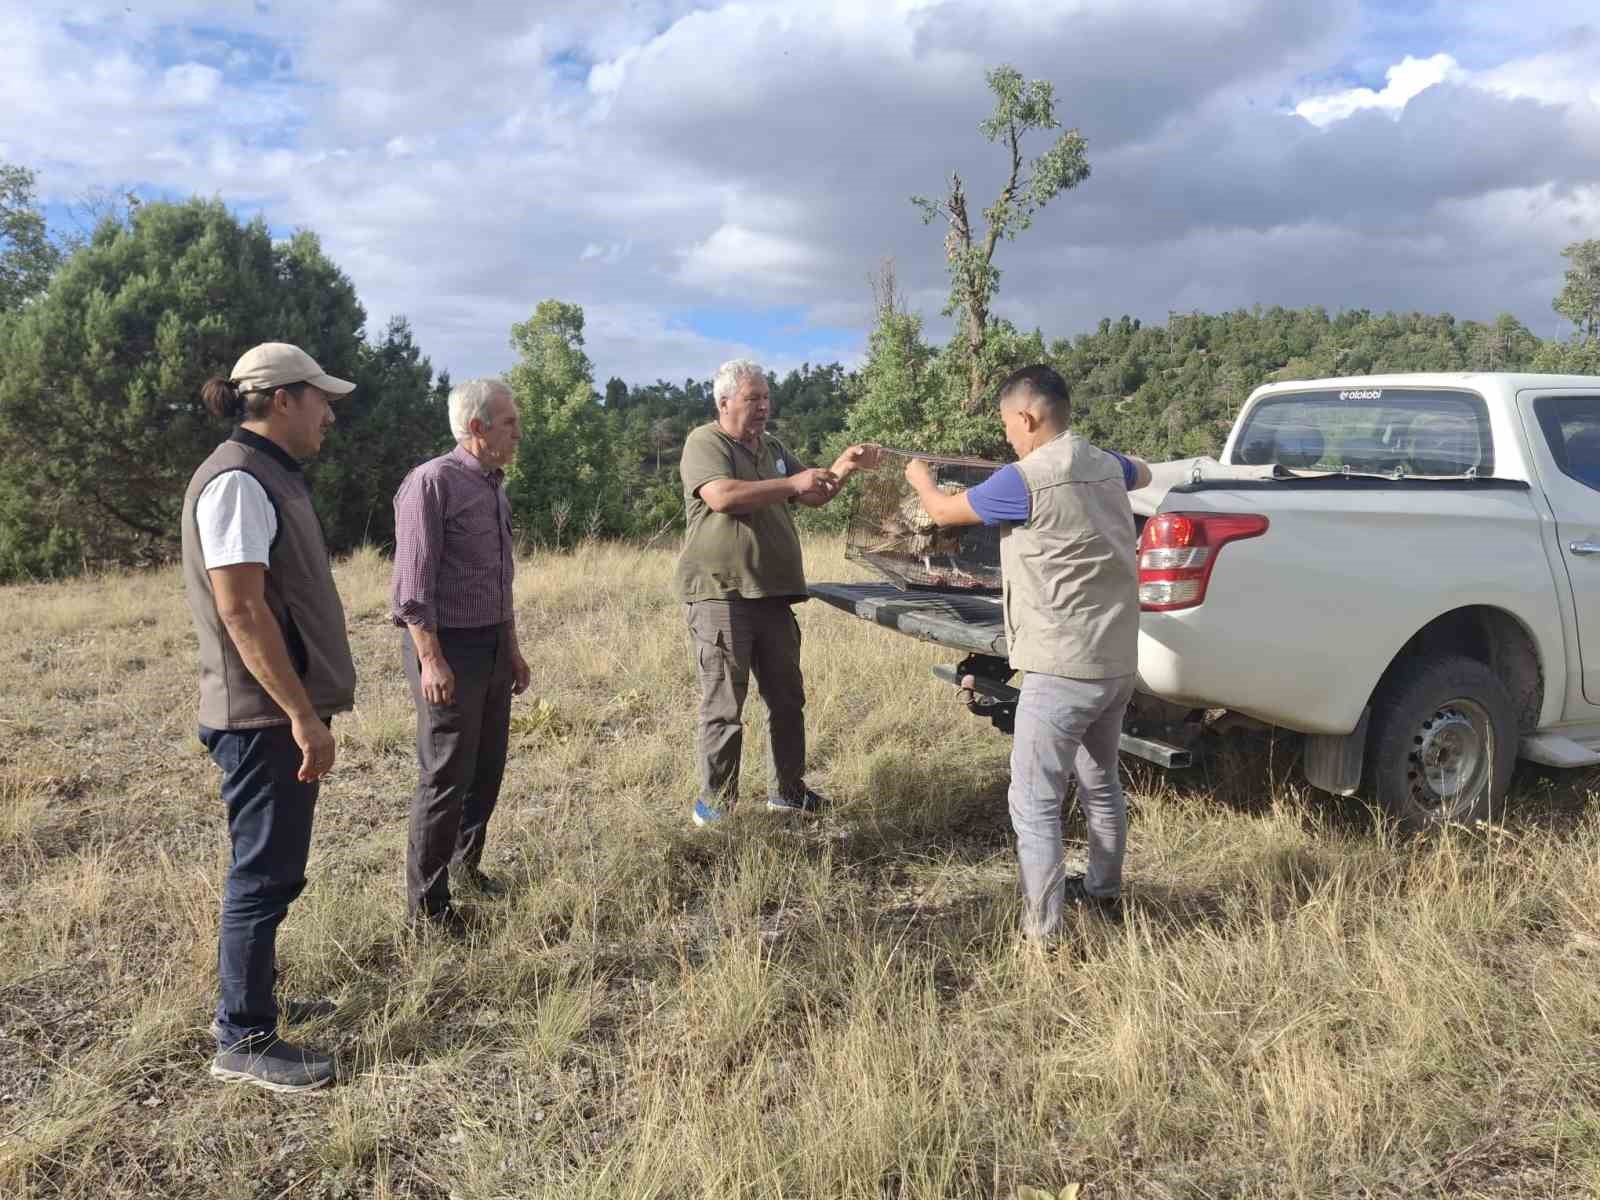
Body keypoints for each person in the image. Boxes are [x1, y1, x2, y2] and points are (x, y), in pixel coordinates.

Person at [904, 364, 1151, 939]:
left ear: (1027, 416)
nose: (1007, 440)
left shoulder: (1024, 479)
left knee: (1034, 802)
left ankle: (1044, 936)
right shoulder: (1105, 464)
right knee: (1100, 780)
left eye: (1008, 427)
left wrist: (920, 477)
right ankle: (1104, 892)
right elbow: (1139, 471)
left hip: (1060, 665)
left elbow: (942, 512)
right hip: (1115, 661)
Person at [182, 342, 358, 1092]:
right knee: (262, 874)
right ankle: (244, 1037)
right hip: (261, 721)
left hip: (273, 716)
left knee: (273, 870)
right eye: (320, 398)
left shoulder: (268, 476)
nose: (329, 412)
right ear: (281, 398)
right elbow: (241, 609)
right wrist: (300, 715)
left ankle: (252, 1003)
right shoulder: (238, 482)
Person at [675, 358, 880, 826]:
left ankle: (788, 791)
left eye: (767, 397)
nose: (764, 406)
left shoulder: (772, 447)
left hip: (773, 594)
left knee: (787, 699)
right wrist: (791, 482)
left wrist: (845, 465)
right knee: (725, 704)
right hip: (721, 593)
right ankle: (717, 807)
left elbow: (813, 494)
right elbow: (722, 496)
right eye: (754, 398)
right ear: (724, 402)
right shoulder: (705, 442)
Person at [391, 378, 531, 935]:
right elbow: (411, 587)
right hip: (448, 647)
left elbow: (499, 579)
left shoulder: (494, 485)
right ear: (477, 428)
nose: (518, 432)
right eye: (509, 422)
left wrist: (514, 650)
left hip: (493, 642)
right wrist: (431, 659)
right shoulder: (431, 484)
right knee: (446, 773)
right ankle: (427, 910)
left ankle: (465, 870)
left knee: (487, 767)